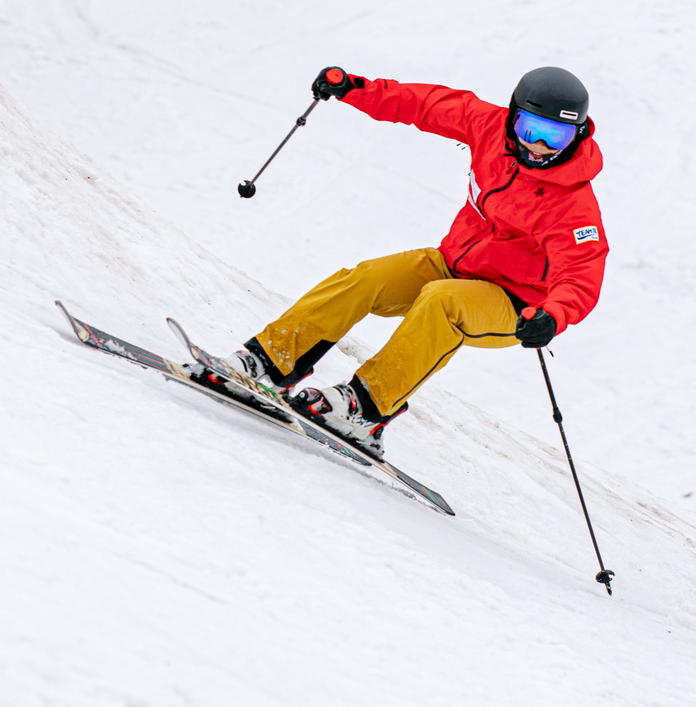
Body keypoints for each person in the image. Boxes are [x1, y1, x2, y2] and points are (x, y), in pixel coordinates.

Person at [202, 65, 608, 459]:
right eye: (529, 129)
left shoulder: (572, 205)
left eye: (555, 137)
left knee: (441, 301)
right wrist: (354, 88)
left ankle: (367, 409)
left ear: (578, 136)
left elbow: (582, 274)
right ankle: (270, 360)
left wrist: (551, 316)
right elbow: (423, 104)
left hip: (515, 304)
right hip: (453, 264)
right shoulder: (487, 126)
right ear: (512, 117)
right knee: (367, 278)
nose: (539, 146)